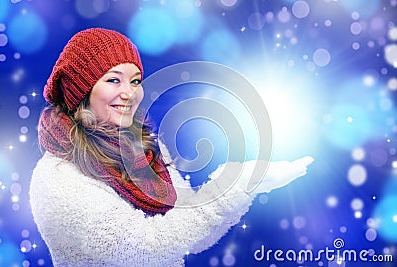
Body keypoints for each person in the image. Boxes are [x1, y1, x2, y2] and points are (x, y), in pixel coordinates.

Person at [29, 28, 314, 267]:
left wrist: (245, 182)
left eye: (135, 80)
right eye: (114, 79)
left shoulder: (145, 152)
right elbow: (148, 248)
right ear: (82, 90)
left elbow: (191, 232)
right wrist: (236, 185)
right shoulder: (58, 178)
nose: (129, 93)